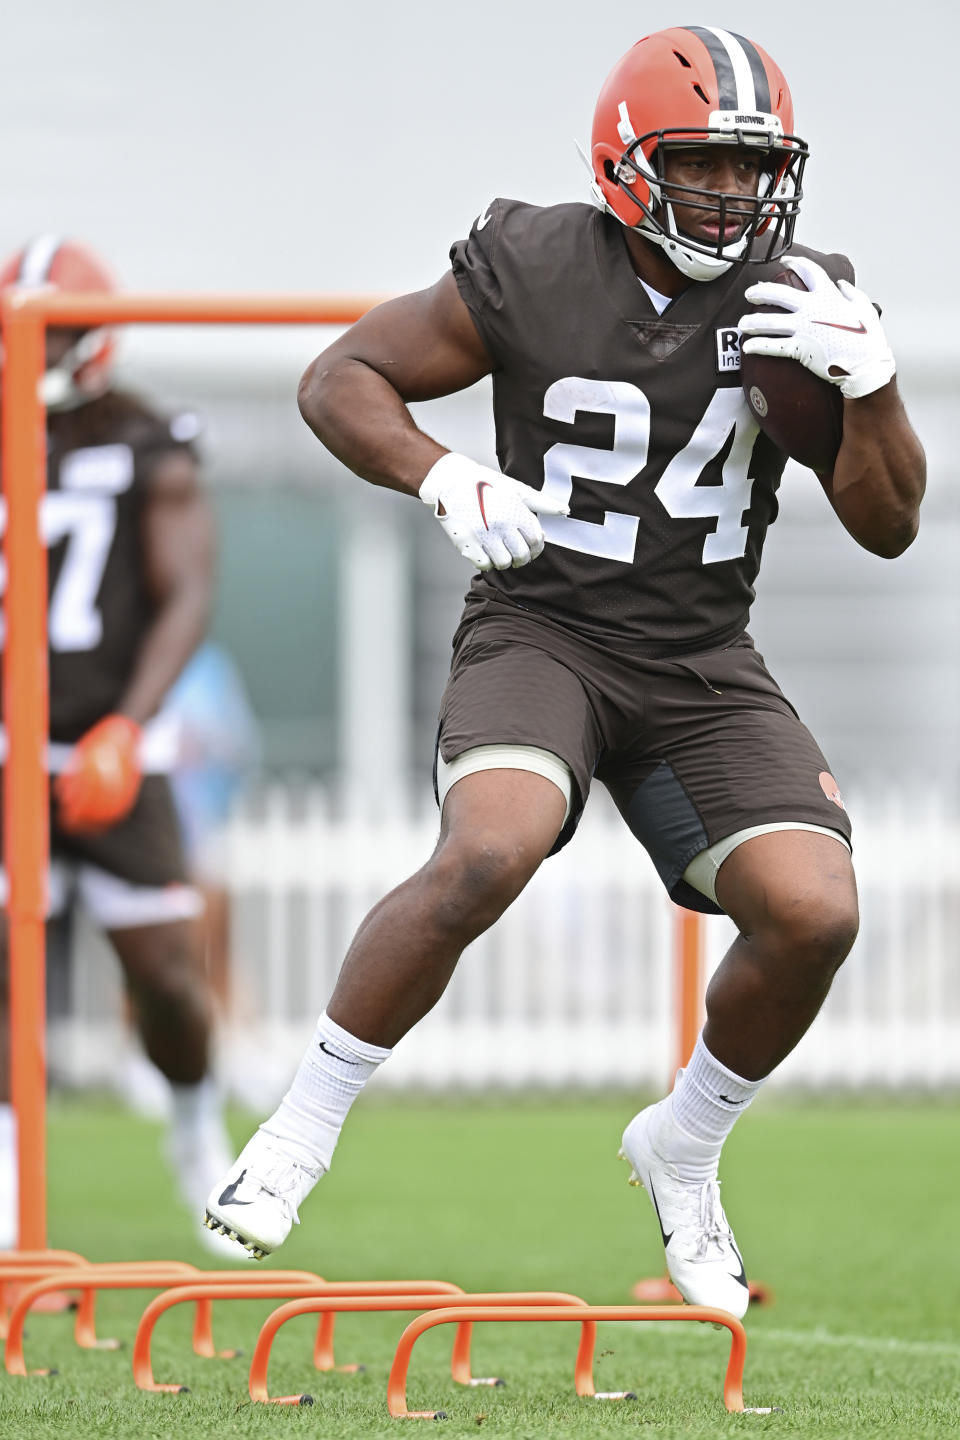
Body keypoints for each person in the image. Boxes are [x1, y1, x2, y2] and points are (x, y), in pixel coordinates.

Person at [205, 27, 925, 1312]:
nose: (732, 194)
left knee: (817, 910)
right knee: (490, 848)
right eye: (701, 163)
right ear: (628, 159)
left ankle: (685, 1148)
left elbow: (888, 523)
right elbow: (341, 379)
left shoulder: (794, 294)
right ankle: (299, 1130)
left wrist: (871, 389)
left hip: (700, 655)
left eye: (752, 168)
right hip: (544, 629)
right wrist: (442, 472)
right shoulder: (537, 260)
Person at [0, 236, 233, 1250]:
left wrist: (126, 728)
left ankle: (193, 1127)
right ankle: (10, 1188)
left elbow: (184, 591)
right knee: (9, 981)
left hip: (109, 746)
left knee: (167, 975)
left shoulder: (147, 436)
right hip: (10, 753)